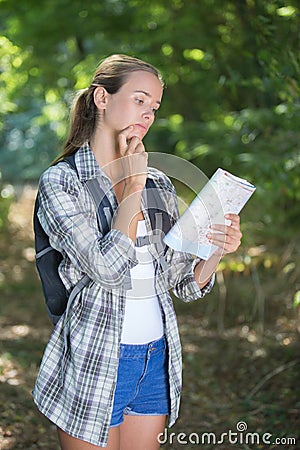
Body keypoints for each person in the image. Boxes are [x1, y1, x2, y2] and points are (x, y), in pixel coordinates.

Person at [33, 54, 242, 450]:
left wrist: (216, 249)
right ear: (102, 98)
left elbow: (183, 284)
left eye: (155, 107)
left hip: (156, 358)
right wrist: (131, 186)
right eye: (140, 100)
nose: (147, 114)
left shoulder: (158, 183)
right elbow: (106, 269)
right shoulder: (63, 182)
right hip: (95, 355)